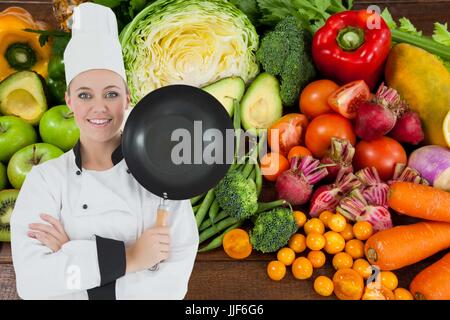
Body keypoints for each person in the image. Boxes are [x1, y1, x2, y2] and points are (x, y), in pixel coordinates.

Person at [10, 2, 199, 300]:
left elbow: (171, 287)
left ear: (127, 98)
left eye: (111, 94)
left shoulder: (163, 174)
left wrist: (71, 252)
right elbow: (34, 284)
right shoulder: (45, 180)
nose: (99, 108)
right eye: (85, 95)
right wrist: (132, 258)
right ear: (69, 102)